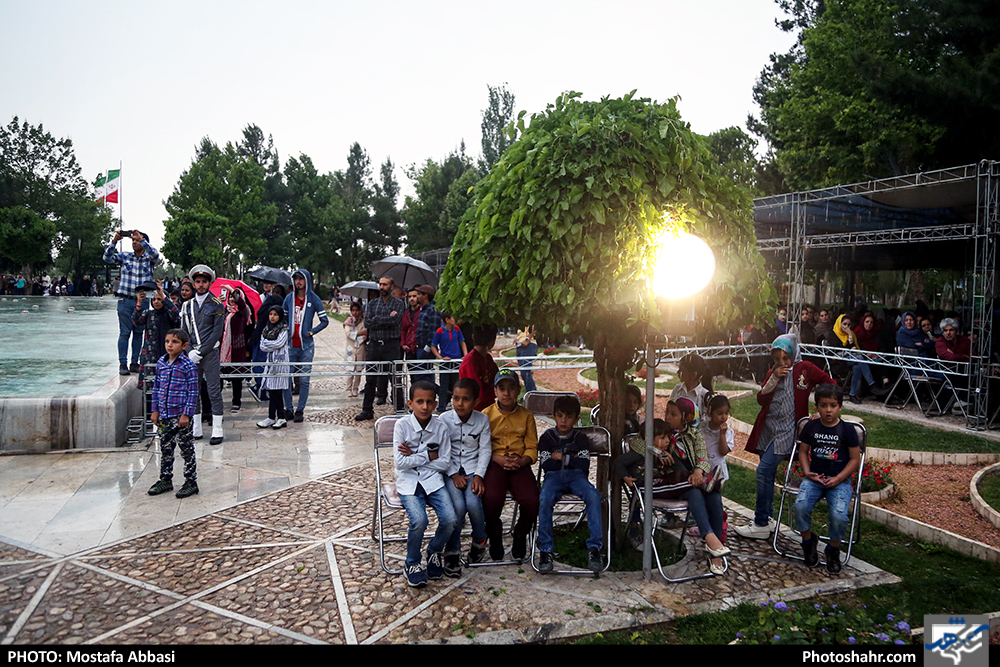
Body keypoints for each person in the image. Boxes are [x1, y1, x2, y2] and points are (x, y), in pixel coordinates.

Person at [735, 334, 835, 540]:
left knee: (763, 471)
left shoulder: (804, 368)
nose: (782, 363)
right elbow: (761, 399)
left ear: (793, 354)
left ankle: (760, 522)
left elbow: (829, 384)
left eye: (785, 358)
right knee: (768, 473)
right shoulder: (773, 372)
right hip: (768, 428)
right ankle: (769, 518)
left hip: (787, 430)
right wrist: (773, 377)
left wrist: (821, 409)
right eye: (777, 358)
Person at [393, 381, 456, 588]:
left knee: (450, 519)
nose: (425, 407)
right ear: (410, 403)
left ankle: (434, 550)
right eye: (419, 402)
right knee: (419, 520)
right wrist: (428, 455)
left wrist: (416, 456)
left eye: (429, 402)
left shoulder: (440, 427)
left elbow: (445, 461)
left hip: (433, 480)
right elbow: (400, 463)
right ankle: (411, 563)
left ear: (436, 404)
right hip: (409, 481)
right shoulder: (401, 426)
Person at [794, 383, 861, 574]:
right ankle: (808, 541)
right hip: (814, 478)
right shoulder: (812, 426)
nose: (828, 410)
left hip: (839, 480)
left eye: (833, 405)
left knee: (839, 516)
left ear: (840, 406)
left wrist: (839, 478)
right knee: (800, 506)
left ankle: (833, 549)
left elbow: (855, 459)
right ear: (817, 406)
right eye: (824, 405)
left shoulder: (847, 431)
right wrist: (807, 472)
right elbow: (803, 451)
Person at [536, 394, 603, 574]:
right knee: (544, 499)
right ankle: (546, 550)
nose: (563, 420)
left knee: (594, 496)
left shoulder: (580, 438)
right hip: (553, 477)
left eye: (568, 416)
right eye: (559, 416)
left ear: (576, 418)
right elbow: (545, 464)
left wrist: (560, 457)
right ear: (554, 416)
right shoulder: (547, 438)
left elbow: (584, 464)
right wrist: (571, 458)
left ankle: (595, 548)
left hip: (577, 477)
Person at [482, 369, 539, 562]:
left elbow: (532, 447)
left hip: (519, 463)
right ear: (495, 391)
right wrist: (496, 457)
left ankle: (521, 533)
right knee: (490, 499)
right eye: (502, 388)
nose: (506, 393)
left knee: (531, 500)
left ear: (518, 391)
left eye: (511, 388)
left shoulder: (526, 416)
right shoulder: (485, 415)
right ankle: (495, 535)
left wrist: (523, 460)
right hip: (495, 462)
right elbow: (481, 446)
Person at [441, 378, 492, 573]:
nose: (460, 403)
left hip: (472, 471)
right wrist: (453, 474)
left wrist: (478, 475)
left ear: (476, 401)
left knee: (473, 504)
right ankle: (452, 550)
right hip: (451, 472)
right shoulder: (444, 420)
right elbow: (442, 451)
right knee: (459, 508)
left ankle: (480, 539)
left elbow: (485, 449)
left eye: (465, 399)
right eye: (456, 398)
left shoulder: (482, 420)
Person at [147, 328, 201, 499]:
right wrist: (154, 410)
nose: (170, 345)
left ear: (184, 346)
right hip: (164, 415)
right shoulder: (161, 363)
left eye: (175, 342)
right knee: (166, 448)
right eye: (168, 341)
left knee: (186, 450)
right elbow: (156, 388)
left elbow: (193, 392)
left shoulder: (187, 365)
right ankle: (165, 479)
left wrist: (187, 414)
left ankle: (191, 482)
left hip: (180, 416)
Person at [179, 264, 226, 445]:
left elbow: (217, 332)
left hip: (210, 353)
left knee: (214, 390)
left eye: (204, 282)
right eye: (197, 282)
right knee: (193, 391)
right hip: (192, 355)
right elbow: (184, 332)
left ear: (209, 283)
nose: (200, 285)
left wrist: (200, 351)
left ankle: (217, 429)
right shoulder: (187, 305)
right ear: (193, 283)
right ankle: (196, 428)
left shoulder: (217, 305)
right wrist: (189, 351)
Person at [103, 229, 159, 375]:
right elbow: (107, 258)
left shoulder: (149, 259)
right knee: (125, 333)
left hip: (144, 300)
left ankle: (135, 362)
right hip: (126, 300)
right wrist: (114, 241)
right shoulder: (125, 256)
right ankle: (123, 363)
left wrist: (142, 239)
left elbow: (156, 254)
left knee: (139, 332)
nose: (134, 242)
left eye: (137, 240)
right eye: (132, 240)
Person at [355, 276, 405, 421]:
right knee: (370, 379)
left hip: (391, 345)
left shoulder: (398, 304)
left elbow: (395, 321)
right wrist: (383, 319)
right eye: (381, 284)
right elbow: (368, 323)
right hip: (375, 345)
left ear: (391, 287)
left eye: (385, 285)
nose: (382, 287)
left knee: (395, 378)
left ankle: (400, 409)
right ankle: (367, 410)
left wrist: (377, 319)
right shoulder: (372, 304)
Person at [283, 269, 329, 423]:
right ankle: (288, 408)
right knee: (286, 378)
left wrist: (312, 331)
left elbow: (325, 321)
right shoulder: (289, 298)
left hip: (306, 347)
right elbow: (282, 317)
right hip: (290, 346)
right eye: (295, 279)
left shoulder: (314, 299)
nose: (298, 282)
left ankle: (300, 409)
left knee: (304, 380)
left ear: (307, 280)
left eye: (301, 279)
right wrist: (285, 331)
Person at [133, 280, 180, 392]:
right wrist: (139, 302)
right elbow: (136, 322)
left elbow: (174, 312)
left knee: (168, 386)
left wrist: (162, 293)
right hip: (149, 356)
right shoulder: (148, 314)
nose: (156, 302)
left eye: (159, 299)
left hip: (167, 353)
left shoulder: (169, 314)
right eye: (154, 299)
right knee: (149, 388)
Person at [257, 306, 291, 429]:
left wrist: (268, 343)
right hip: (270, 362)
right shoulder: (266, 329)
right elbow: (262, 346)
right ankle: (271, 417)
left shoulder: (283, 329)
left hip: (280, 362)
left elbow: (279, 343)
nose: (272, 317)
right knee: (272, 390)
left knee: (277, 391)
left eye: (275, 314)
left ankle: (280, 417)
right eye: (271, 314)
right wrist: (269, 344)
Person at [221, 288, 252, 413]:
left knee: (237, 377)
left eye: (234, 297)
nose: (232, 299)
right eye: (230, 297)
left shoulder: (243, 312)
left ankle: (236, 402)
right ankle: (217, 402)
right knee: (219, 376)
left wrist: (232, 290)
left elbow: (242, 304)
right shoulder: (224, 311)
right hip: (224, 348)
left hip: (238, 348)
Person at [458, 324, 500, 412]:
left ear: (473, 337)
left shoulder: (487, 358)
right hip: (475, 411)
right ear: (492, 341)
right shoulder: (470, 361)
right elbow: (475, 392)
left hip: (489, 407)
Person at [431, 311, 467, 410]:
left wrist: (465, 355)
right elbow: (433, 345)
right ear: (447, 320)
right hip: (445, 361)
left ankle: (457, 406)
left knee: (457, 384)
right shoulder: (439, 331)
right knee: (444, 385)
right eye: (452, 317)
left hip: (456, 360)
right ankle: (442, 407)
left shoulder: (457, 329)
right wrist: (440, 357)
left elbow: (462, 342)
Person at [699, 393, 734, 490]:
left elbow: (723, 452)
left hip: (717, 471)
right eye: (719, 414)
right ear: (710, 412)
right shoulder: (702, 428)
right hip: (702, 469)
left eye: (726, 413)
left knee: (714, 495)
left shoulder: (728, 432)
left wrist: (722, 434)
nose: (724, 417)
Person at [670, 352, 712, 419]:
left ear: (693, 374)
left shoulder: (704, 396)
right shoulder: (677, 390)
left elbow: (707, 421)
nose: (678, 372)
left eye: (682, 370)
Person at [414, 285, 442, 386]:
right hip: (420, 347)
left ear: (425, 296)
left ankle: (441, 392)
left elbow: (433, 330)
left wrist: (428, 347)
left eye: (419, 294)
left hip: (426, 348)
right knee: (426, 374)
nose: (417, 297)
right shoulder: (424, 310)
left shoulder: (432, 310)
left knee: (420, 374)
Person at [343, 300, 367, 398]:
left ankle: (355, 388)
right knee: (350, 370)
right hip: (350, 349)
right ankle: (348, 388)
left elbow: (366, 334)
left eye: (357, 310)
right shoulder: (349, 321)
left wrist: (359, 336)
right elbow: (348, 334)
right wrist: (359, 334)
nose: (355, 313)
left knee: (358, 370)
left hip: (360, 347)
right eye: (353, 310)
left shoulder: (363, 322)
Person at [514, 325, 538, 392]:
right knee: (523, 373)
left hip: (529, 345)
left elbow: (534, 328)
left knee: (525, 372)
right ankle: (530, 393)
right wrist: (517, 339)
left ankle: (533, 393)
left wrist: (527, 339)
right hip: (520, 345)